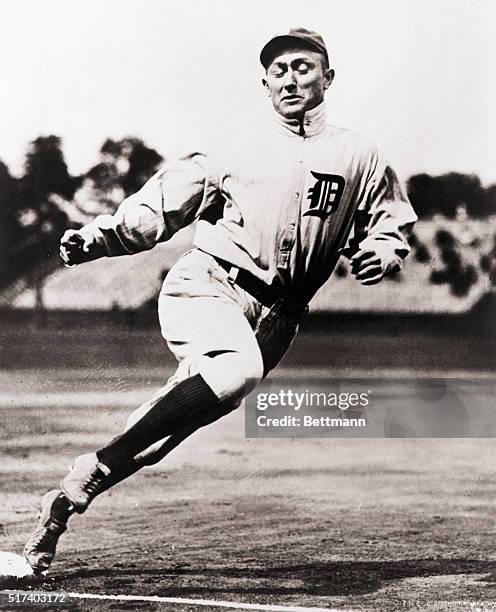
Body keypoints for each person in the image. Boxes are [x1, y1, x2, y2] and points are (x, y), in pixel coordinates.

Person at [24, 27, 418, 573]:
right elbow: (158, 208)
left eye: (302, 66)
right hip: (209, 285)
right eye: (278, 70)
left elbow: (390, 220)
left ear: (328, 77)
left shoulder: (361, 155)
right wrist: (96, 239)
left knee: (166, 432)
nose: (290, 77)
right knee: (234, 372)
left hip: (280, 318)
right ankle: (94, 468)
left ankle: (67, 496)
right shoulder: (233, 147)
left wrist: (382, 250)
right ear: (265, 83)